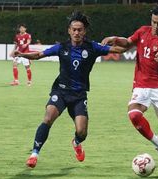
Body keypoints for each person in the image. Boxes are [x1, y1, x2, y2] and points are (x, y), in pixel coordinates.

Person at [14, 11, 125, 168]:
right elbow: (39, 55)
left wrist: (115, 39)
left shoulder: (93, 47)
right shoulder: (62, 47)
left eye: (80, 30)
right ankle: (34, 154)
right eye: (74, 29)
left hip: (79, 95)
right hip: (60, 91)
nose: (76, 32)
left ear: (84, 31)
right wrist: (22, 54)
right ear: (69, 30)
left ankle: (76, 142)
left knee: (82, 132)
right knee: (48, 118)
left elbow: (120, 50)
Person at [101, 4, 158, 172]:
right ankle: (156, 142)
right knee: (134, 115)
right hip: (141, 85)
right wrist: (115, 38)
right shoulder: (143, 31)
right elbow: (128, 42)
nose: (155, 26)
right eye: (153, 21)